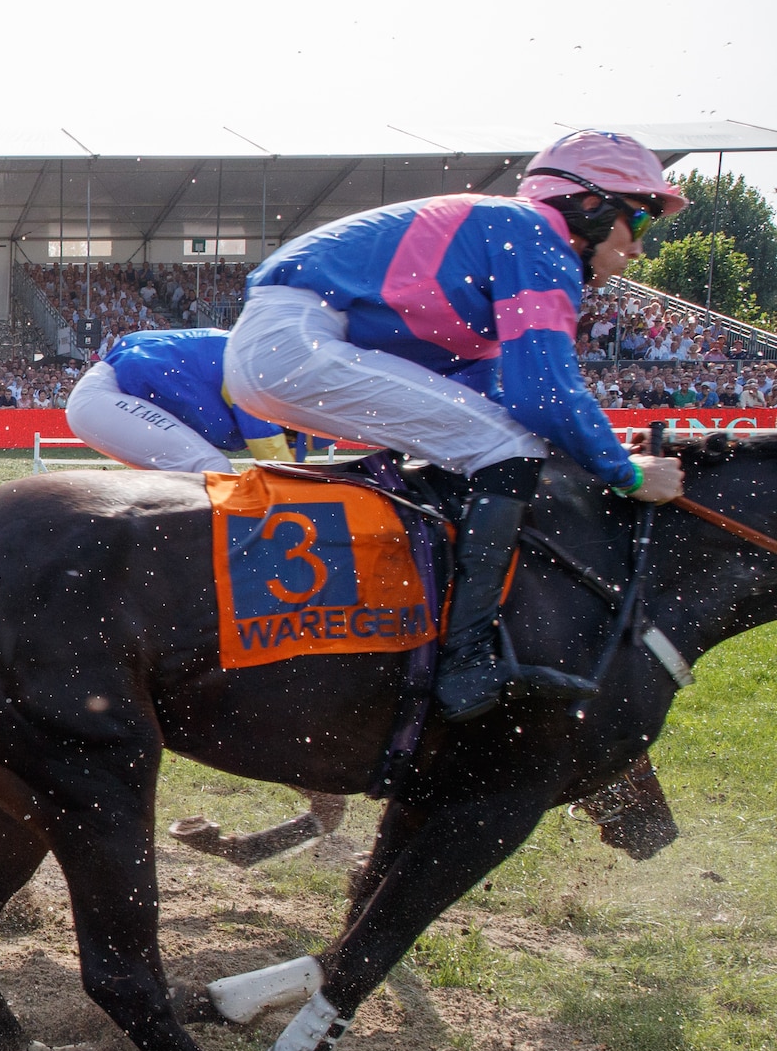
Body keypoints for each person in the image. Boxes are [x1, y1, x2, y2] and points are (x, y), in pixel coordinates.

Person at [223, 128, 687, 721]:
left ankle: (412, 621)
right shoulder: (540, 237)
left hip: (284, 341)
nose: (640, 248)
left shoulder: (506, 241)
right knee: (505, 446)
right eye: (641, 221)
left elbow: (505, 395)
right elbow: (542, 394)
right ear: (591, 206)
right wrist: (624, 472)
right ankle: (465, 661)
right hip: (293, 341)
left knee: (491, 444)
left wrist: (596, 450)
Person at [66, 327, 297, 474]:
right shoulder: (257, 367)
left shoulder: (263, 359)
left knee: (203, 471)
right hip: (104, 395)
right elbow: (275, 457)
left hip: (109, 391)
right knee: (214, 469)